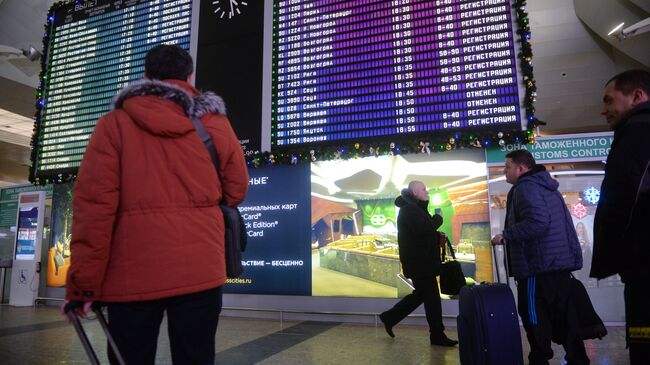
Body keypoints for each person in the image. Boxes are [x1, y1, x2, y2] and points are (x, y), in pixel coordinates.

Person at [61, 44, 249, 364]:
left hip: (131, 276)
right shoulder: (215, 125)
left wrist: (83, 286)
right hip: (201, 268)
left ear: (145, 76)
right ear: (189, 76)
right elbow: (236, 189)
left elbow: (94, 209)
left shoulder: (113, 125)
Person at [490, 149, 587, 365]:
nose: (504, 171)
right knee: (564, 314)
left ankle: (539, 359)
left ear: (521, 168)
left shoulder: (525, 188)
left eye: (507, 167)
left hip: (537, 264)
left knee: (533, 315)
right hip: (557, 264)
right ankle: (578, 358)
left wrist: (506, 235)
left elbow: (538, 222)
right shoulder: (546, 187)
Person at [590, 69, 650, 364]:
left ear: (637, 96)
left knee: (643, 337)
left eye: (609, 100)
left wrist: (610, 254)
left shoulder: (637, 133)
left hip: (644, 270)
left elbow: (623, 199)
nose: (604, 110)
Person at [379, 180, 458, 347]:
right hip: (419, 264)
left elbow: (422, 233)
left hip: (422, 263)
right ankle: (437, 335)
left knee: (423, 296)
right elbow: (423, 229)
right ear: (414, 192)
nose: (426, 191)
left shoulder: (415, 209)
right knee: (432, 299)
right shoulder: (409, 209)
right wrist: (438, 219)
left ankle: (390, 317)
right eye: (423, 189)